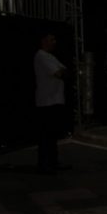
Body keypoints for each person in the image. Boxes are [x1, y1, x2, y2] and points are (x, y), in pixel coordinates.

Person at [33, 31, 67, 174]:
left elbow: (64, 70)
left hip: (54, 100)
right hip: (46, 102)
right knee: (46, 135)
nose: (54, 42)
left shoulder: (50, 56)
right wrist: (61, 71)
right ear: (43, 41)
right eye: (51, 39)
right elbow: (59, 72)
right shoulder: (41, 55)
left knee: (52, 135)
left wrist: (61, 71)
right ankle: (44, 164)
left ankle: (52, 162)